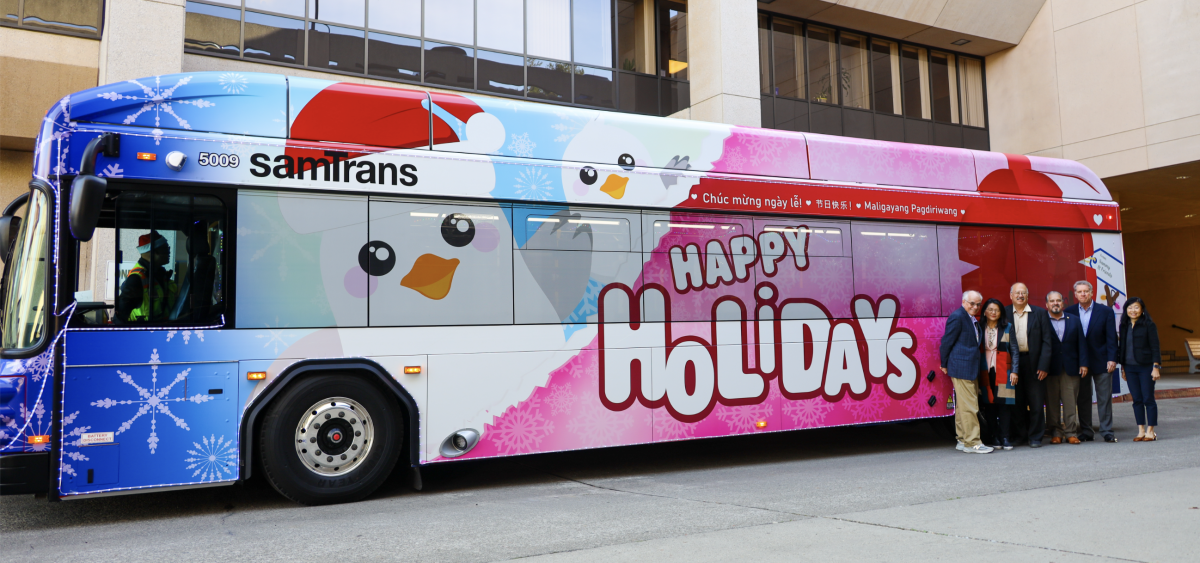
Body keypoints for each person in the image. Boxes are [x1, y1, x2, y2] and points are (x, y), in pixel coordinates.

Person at [1067, 281, 1119, 443]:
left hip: (1102, 360)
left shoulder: (1105, 311)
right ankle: (1087, 431)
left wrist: (1112, 358)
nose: (1083, 294)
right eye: (1079, 291)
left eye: (1086, 291)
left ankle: (1106, 431)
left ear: (1091, 293)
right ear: (1075, 294)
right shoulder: (1069, 312)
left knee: (1104, 398)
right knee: (1083, 398)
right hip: (1079, 363)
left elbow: (1111, 337)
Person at [940, 290, 992, 454]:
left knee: (963, 406)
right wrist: (944, 363)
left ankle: (963, 440)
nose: (975, 307)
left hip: (966, 367)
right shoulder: (958, 316)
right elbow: (946, 341)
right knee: (970, 406)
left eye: (978, 304)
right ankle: (973, 442)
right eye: (972, 303)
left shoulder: (968, 317)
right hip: (962, 367)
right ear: (963, 302)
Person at [1005, 283, 1053, 448]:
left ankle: (1035, 436)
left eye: (1023, 293)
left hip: (1034, 363)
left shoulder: (1040, 313)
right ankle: (1020, 435)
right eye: (1017, 293)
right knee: (1016, 403)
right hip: (1012, 364)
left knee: (1036, 402)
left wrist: (1044, 366)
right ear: (1011, 295)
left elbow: (1047, 342)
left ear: (1027, 295)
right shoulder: (1004, 313)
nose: (1020, 295)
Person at [1045, 291, 1089, 444]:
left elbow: (1081, 343)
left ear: (1063, 303)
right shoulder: (1042, 319)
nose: (1055, 303)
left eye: (1058, 300)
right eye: (1052, 301)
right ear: (1047, 304)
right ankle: (1056, 432)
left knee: (1070, 401)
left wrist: (1083, 363)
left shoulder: (1074, 320)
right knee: (1052, 402)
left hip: (1071, 367)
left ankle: (1071, 432)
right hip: (1049, 368)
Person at [977, 298, 1020, 450]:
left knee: (1004, 405)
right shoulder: (979, 327)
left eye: (997, 310)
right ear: (985, 312)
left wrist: (1014, 371)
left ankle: (1005, 437)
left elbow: (1014, 350)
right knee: (989, 405)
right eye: (990, 309)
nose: (993, 312)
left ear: (1001, 312)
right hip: (984, 370)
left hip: (1004, 370)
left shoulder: (1007, 327)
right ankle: (994, 437)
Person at [1117, 297, 1162, 441]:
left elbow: (1155, 347)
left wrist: (1156, 367)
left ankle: (1151, 431)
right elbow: (1122, 348)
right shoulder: (1124, 325)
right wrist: (1123, 368)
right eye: (1130, 307)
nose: (1133, 310)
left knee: (1148, 398)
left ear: (1142, 309)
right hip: (1129, 368)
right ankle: (1141, 430)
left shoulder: (1149, 324)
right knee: (1136, 399)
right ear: (1126, 310)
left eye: (1136, 307)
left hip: (1146, 367)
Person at [117, 231, 178, 322]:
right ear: (154, 252)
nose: (169, 252)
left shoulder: (160, 275)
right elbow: (120, 317)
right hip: (143, 330)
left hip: (163, 328)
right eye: (166, 249)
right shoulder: (136, 279)